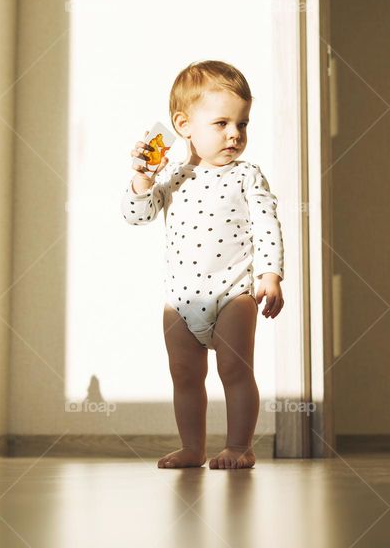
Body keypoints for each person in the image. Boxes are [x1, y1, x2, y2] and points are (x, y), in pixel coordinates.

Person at [121, 60, 284, 469]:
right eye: (222, 123)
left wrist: (270, 275)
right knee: (185, 376)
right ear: (183, 125)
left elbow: (268, 225)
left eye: (242, 124)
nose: (235, 134)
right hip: (180, 299)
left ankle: (239, 446)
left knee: (234, 369)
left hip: (233, 293)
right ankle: (193, 448)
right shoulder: (172, 176)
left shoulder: (248, 176)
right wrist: (141, 179)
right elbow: (136, 216)